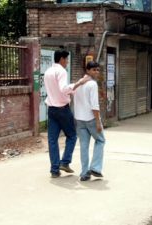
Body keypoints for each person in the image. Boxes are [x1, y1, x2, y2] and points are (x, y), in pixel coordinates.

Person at [44, 49, 90, 178]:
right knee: (72, 136)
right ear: (62, 59)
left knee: (52, 140)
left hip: (51, 110)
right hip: (63, 109)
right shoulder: (61, 71)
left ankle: (54, 170)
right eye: (67, 59)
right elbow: (64, 89)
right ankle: (64, 162)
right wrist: (79, 83)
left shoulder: (48, 71)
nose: (67, 62)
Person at [74, 61, 106, 181]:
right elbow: (94, 105)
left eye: (98, 70)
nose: (97, 72)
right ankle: (95, 168)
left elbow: (71, 93)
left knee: (84, 146)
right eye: (94, 70)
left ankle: (84, 173)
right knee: (101, 140)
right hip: (91, 119)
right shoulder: (92, 84)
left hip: (80, 119)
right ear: (87, 70)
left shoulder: (79, 83)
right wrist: (98, 122)